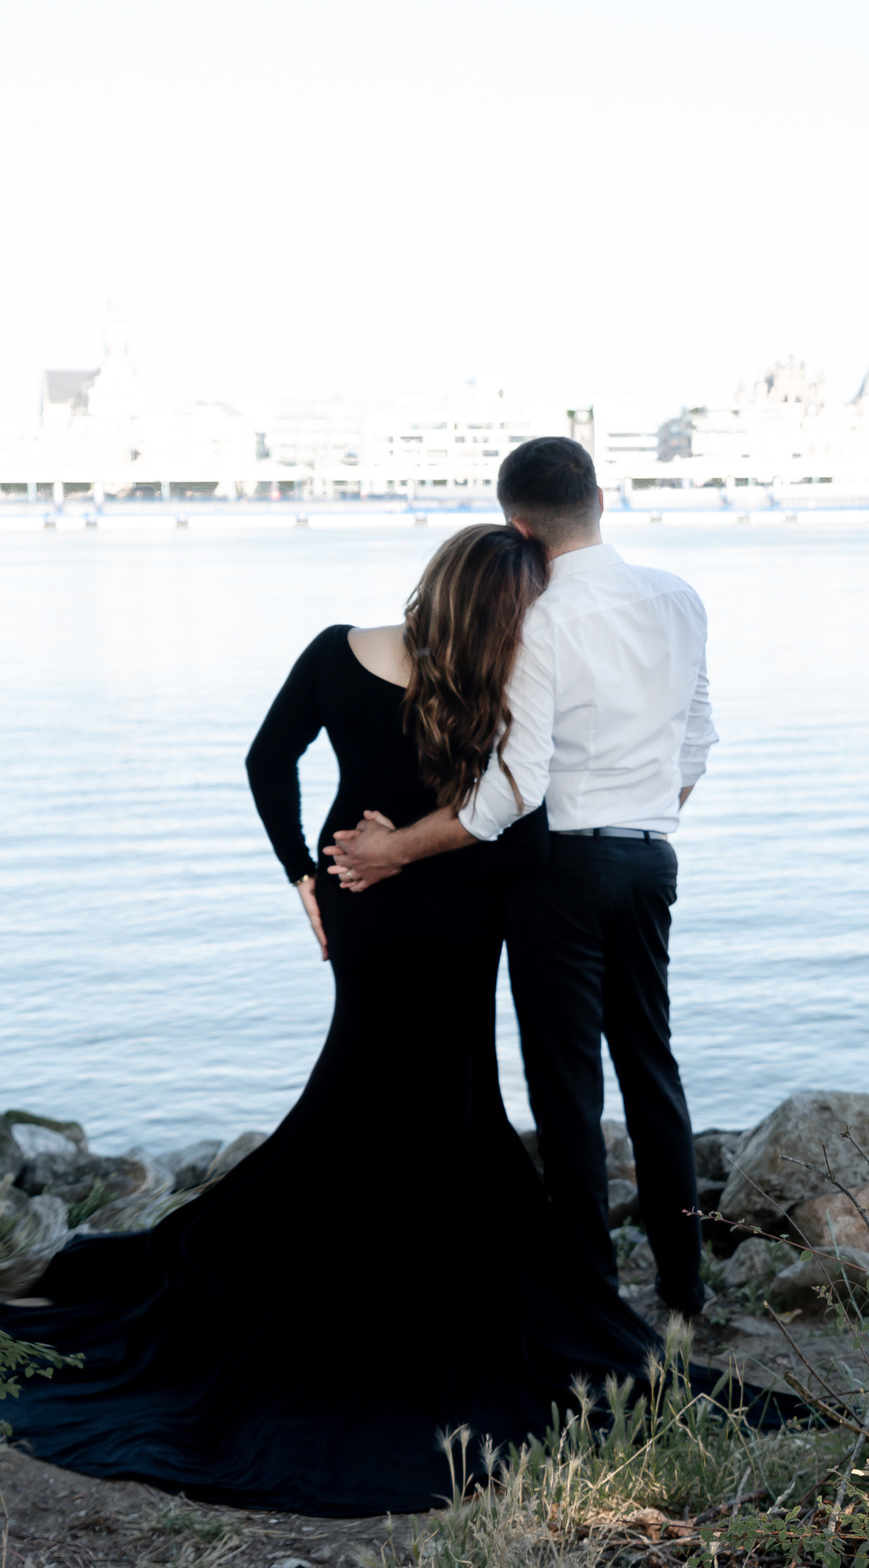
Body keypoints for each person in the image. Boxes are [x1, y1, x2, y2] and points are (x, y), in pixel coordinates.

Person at [0, 524, 674, 1517]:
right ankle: (408, 1278)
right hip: (451, 904)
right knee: (445, 1088)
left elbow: (268, 760)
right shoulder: (500, 679)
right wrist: (413, 855)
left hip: (360, 897)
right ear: (503, 610)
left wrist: (304, 873)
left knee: (364, 1080)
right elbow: (516, 845)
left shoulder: (335, 646)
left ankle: (334, 1257)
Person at [330, 437, 713, 1324]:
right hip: (652, 856)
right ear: (602, 497)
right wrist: (646, 817)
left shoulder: (536, 619)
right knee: (653, 1073)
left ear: (518, 525)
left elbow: (511, 789)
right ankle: (685, 1293)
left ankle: (591, 1296)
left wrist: (394, 851)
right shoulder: (680, 599)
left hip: (561, 873)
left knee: (566, 1085)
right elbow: (697, 744)